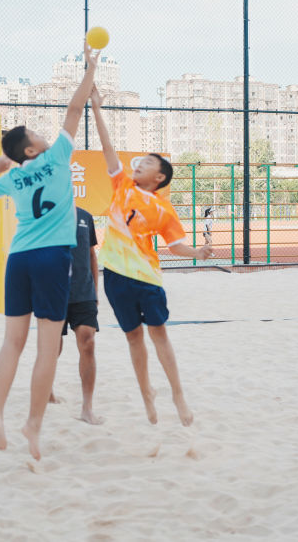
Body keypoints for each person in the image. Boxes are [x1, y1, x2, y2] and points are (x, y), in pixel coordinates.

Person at [0, 41, 101, 461]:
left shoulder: (12, 179)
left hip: (19, 259)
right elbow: (75, 108)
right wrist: (90, 68)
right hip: (52, 258)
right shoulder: (57, 156)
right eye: (36, 135)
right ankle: (33, 424)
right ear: (31, 150)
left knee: (12, 342)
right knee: (47, 349)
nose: (44, 134)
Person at [89, 86, 211, 426]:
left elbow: (175, 246)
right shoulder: (122, 185)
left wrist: (198, 253)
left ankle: (178, 394)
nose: (139, 165)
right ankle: (147, 393)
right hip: (115, 277)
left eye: (146, 163)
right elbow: (107, 147)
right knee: (133, 337)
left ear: (158, 178)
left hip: (147, 278)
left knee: (159, 333)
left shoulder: (163, 209)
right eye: (139, 162)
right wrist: (96, 109)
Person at [61, 206, 104, 426]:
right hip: (55, 294)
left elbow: (91, 255)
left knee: (88, 342)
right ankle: (47, 391)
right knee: (52, 349)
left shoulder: (86, 217)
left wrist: (95, 291)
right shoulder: (45, 213)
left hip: (83, 293)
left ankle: (87, 408)